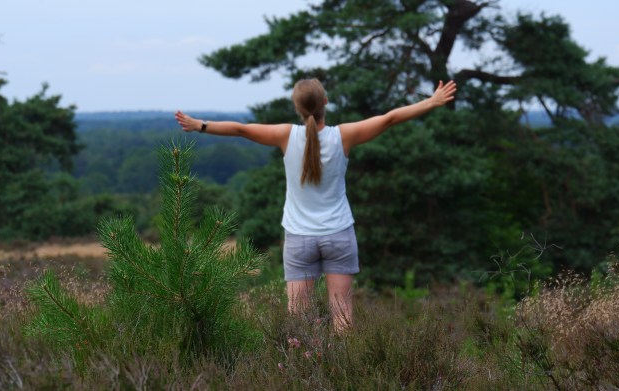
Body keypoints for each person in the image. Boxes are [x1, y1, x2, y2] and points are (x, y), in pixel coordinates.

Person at [174, 79, 456, 332]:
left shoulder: (286, 136)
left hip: (299, 239)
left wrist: (200, 125)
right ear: (325, 103)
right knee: (343, 318)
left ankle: (302, 375)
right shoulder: (343, 135)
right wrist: (432, 101)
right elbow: (389, 119)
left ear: (297, 108)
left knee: (298, 319)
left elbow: (241, 130)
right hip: (339, 234)